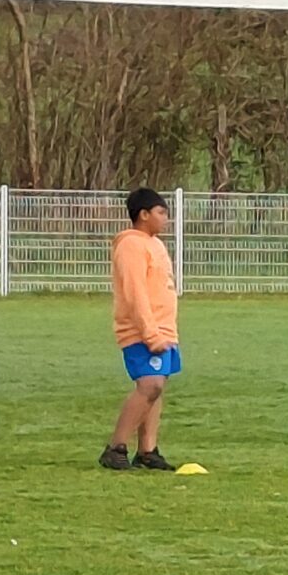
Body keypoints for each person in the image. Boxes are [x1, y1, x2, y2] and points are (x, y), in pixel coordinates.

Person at [101, 187, 182, 472]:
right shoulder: (131, 245)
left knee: (156, 388)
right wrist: (150, 334)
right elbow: (135, 293)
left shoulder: (155, 244)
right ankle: (115, 448)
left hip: (164, 329)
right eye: (161, 212)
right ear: (144, 214)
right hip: (142, 331)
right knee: (150, 385)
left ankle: (147, 450)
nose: (166, 219)